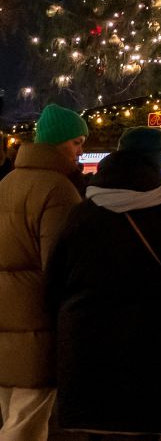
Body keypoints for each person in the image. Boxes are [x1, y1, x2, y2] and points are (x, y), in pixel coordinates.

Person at [45, 127, 161, 440]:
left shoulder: (81, 214)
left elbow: (53, 282)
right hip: (155, 344)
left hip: (86, 341)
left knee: (96, 427)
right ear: (157, 161)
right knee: (144, 428)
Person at [0, 104, 86, 441]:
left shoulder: (8, 183)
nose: (81, 151)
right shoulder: (58, 189)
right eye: (76, 142)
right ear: (58, 142)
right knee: (26, 426)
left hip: (5, 322)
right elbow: (61, 265)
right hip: (36, 326)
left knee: (12, 416)